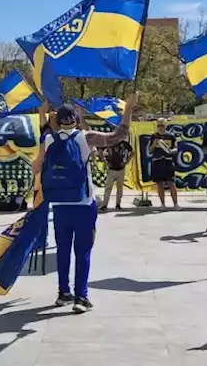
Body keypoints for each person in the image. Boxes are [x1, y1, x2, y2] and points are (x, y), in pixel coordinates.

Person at [34, 93, 139, 313]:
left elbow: (39, 156)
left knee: (63, 249)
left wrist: (43, 114)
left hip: (60, 204)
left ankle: (63, 293)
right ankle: (81, 297)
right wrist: (128, 109)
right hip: (83, 203)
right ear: (76, 119)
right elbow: (119, 135)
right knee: (83, 251)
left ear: (57, 120)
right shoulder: (86, 138)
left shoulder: (49, 139)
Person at [149, 118, 178, 209]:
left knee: (171, 183)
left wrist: (172, 151)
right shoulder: (153, 136)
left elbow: (176, 148)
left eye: (162, 125)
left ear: (166, 125)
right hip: (157, 161)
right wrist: (154, 144)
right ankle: (162, 204)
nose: (161, 127)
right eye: (159, 125)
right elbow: (150, 151)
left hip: (168, 161)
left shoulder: (171, 136)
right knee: (159, 184)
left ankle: (175, 204)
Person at [98, 137, 133, 212]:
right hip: (111, 169)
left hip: (121, 168)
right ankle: (104, 204)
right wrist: (104, 161)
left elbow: (132, 152)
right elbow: (100, 150)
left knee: (119, 188)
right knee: (108, 187)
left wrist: (126, 161)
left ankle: (118, 204)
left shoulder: (124, 143)